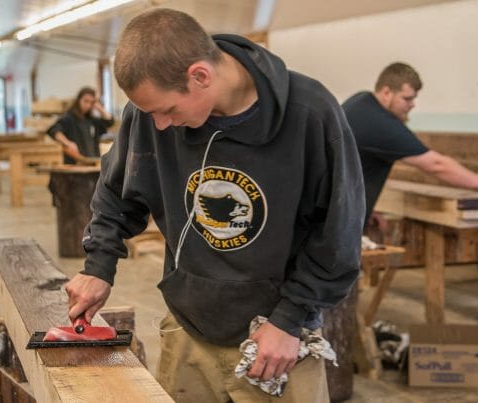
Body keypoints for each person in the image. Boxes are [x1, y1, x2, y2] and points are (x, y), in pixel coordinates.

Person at [64, 8, 364, 402]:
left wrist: (291, 320)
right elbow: (117, 193)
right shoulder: (148, 116)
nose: (160, 126)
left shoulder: (310, 114)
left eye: (168, 111)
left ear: (200, 76)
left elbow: (338, 234)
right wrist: (98, 266)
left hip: (275, 338)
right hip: (189, 325)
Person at [342, 62, 478, 230]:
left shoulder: (360, 101)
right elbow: (436, 165)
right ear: (386, 92)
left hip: (333, 213)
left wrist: (365, 209)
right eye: (406, 98)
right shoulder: (381, 124)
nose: (412, 104)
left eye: (414, 98)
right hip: (336, 227)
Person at [47, 86, 114, 164]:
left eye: (91, 102)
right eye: (86, 101)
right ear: (79, 100)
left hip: (92, 162)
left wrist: (99, 108)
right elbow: (54, 130)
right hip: (75, 164)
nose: (88, 105)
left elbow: (109, 122)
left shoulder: (91, 120)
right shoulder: (69, 118)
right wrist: (68, 143)